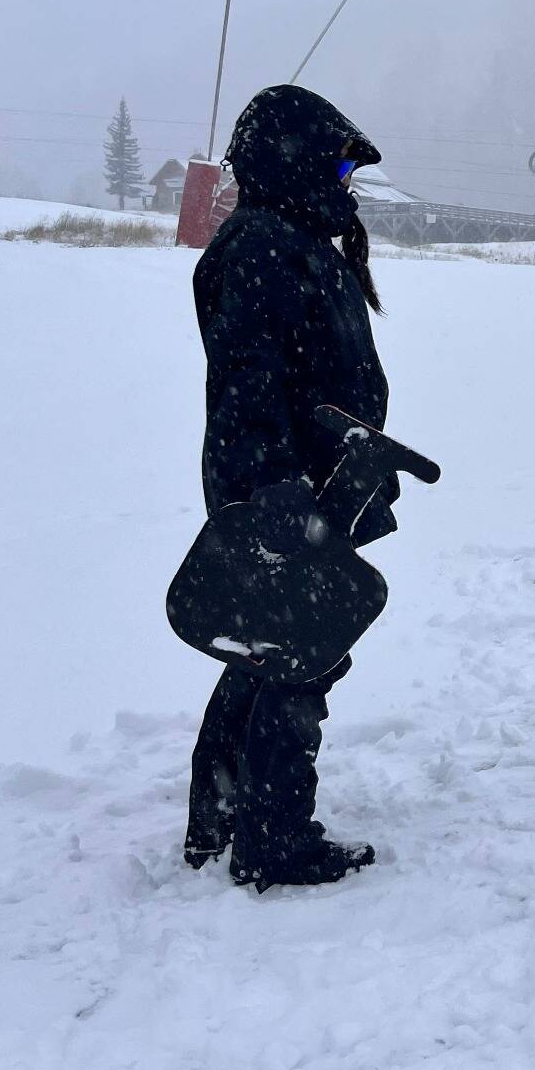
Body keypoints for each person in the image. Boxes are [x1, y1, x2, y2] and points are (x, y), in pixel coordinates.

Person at [182, 84, 393, 889]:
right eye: (336, 164)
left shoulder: (294, 238)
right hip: (286, 490)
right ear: (289, 161)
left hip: (325, 481)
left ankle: (223, 814)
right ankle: (271, 836)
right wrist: (275, 488)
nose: (346, 180)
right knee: (299, 656)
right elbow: (248, 379)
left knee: (270, 649)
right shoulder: (264, 246)